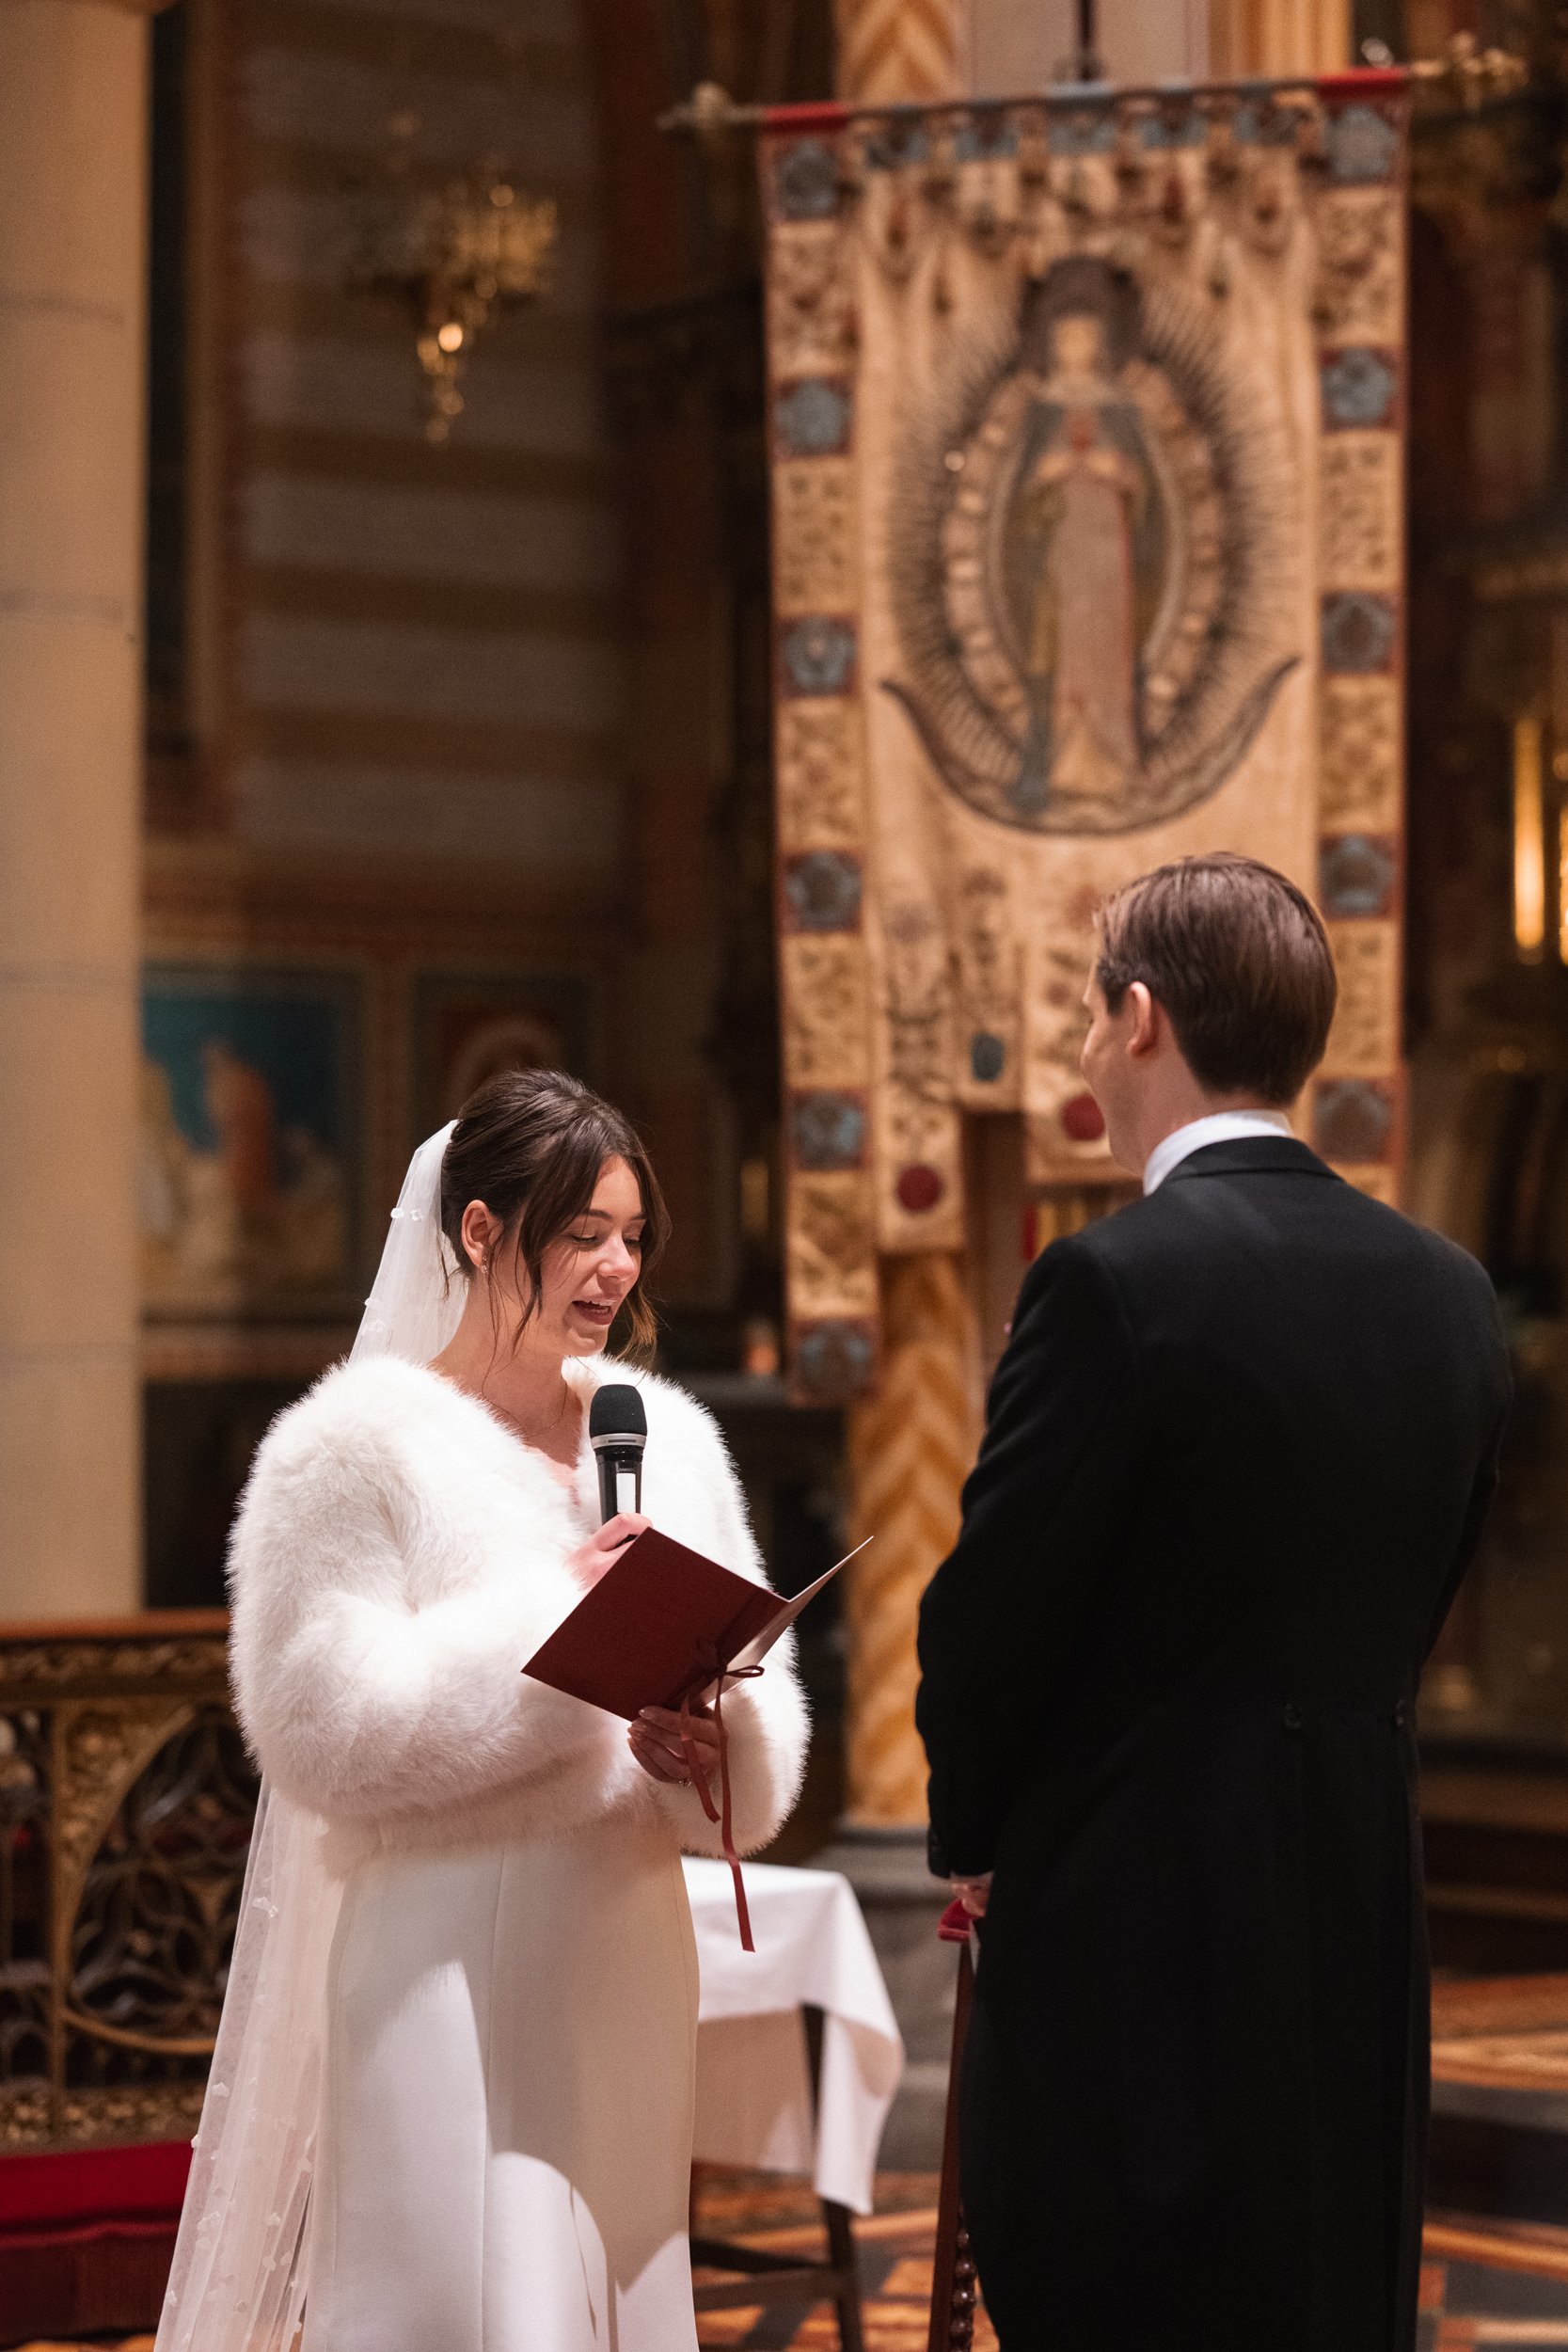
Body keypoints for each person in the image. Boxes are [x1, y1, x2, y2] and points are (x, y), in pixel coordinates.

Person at [916, 854, 1511, 2352]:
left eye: (1086, 1017)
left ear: (1135, 1019)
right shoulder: (1448, 1289)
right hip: (1363, 1887)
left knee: (1131, 2300)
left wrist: (973, 1837)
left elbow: (994, 1615)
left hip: (1141, 1905)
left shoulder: (1112, 1284)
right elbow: (1433, 1577)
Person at [157, 1069, 809, 2352]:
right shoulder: (353, 1449)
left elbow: (761, 1709)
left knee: (614, 2303)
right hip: (439, 1962)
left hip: (619, 1953)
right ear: (478, 1232)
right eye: (582, 1234)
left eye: (632, 1239)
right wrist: (551, 1632)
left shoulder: (664, 1440)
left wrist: (708, 1744)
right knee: (454, 2307)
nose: (616, 1269)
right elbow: (314, 1728)